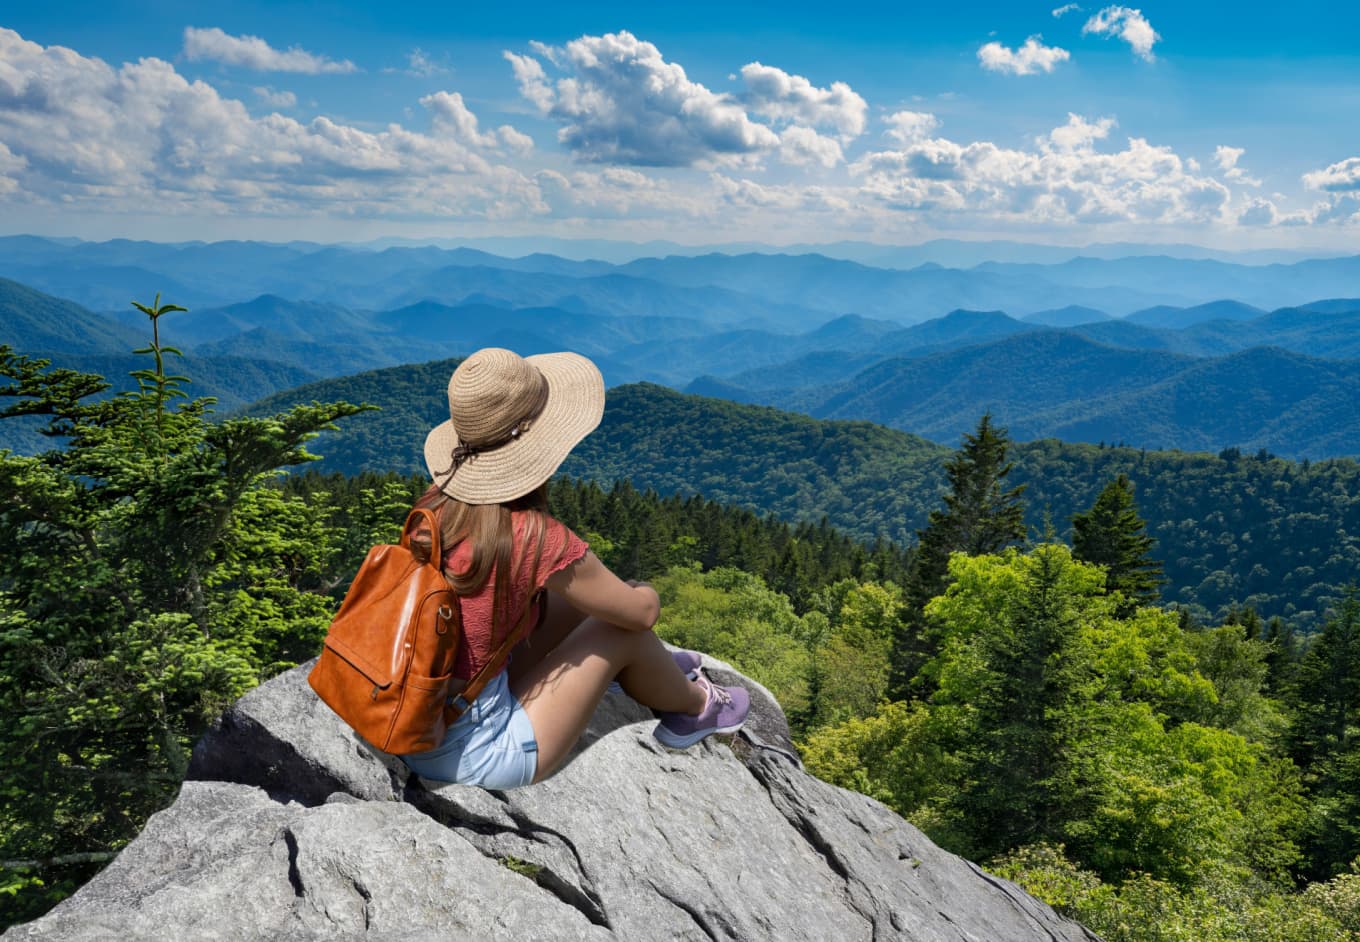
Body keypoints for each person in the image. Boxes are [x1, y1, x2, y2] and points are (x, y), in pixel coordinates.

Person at [398, 347, 749, 790]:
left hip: (417, 720)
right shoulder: (532, 535)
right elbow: (641, 615)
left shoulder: (434, 509)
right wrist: (647, 593)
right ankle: (698, 707)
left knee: (577, 602)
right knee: (623, 625)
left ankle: (651, 670)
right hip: (474, 753)